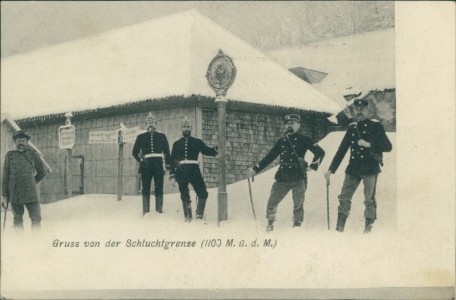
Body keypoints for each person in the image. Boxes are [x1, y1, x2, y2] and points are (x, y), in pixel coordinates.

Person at [324, 98, 392, 234]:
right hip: (353, 168)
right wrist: (331, 169)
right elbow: (341, 150)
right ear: (354, 111)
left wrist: (369, 145)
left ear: (368, 110)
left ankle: (368, 227)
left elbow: (388, 147)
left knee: (369, 199)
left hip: (370, 168)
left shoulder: (376, 127)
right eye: (357, 109)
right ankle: (340, 226)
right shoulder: (352, 128)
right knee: (344, 196)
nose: (359, 112)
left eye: (362, 109)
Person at [247, 114, 325, 232]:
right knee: (272, 202)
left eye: (292, 123)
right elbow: (270, 157)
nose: (290, 125)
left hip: (298, 177)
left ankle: (297, 227)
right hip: (282, 177)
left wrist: (312, 166)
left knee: (298, 204)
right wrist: (255, 169)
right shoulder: (281, 141)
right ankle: (270, 224)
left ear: (298, 125)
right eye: (288, 123)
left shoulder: (304, 139)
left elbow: (320, 152)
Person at [169, 117, 218, 222]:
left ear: (191, 128)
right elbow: (172, 160)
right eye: (184, 127)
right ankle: (188, 217)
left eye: (188, 126)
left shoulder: (197, 142)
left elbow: (208, 151)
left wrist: (216, 149)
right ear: (181, 128)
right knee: (184, 194)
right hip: (181, 171)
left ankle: (199, 215)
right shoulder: (176, 144)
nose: (186, 129)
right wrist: (172, 175)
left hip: (194, 170)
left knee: (203, 193)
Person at [2, 131, 47, 231]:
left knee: (36, 218)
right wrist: (4, 195)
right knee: (17, 219)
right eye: (18, 140)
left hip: (30, 191)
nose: (21, 142)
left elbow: (42, 172)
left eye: (23, 140)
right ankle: (20, 242)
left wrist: (31, 181)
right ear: (15, 142)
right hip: (15, 192)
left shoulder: (33, 154)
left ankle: (37, 241)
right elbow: (4, 177)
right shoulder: (9, 156)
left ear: (27, 142)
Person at [132, 113, 171, 215]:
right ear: (145, 124)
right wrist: (141, 160)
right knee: (145, 187)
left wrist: (167, 165)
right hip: (146, 165)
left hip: (158, 165)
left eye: (152, 122)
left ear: (156, 123)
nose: (150, 125)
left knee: (159, 187)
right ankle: (146, 211)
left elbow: (167, 152)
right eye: (148, 123)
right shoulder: (140, 137)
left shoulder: (161, 136)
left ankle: (159, 211)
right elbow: (134, 152)